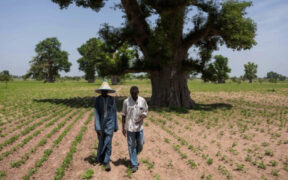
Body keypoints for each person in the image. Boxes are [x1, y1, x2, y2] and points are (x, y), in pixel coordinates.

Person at [122, 86, 148, 173]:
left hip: (139, 127)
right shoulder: (126, 102)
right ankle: (134, 164)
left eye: (135, 94)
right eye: (132, 94)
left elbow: (145, 111)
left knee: (140, 144)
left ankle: (133, 156)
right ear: (130, 93)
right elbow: (123, 115)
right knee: (131, 145)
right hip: (130, 128)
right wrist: (123, 128)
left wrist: (140, 119)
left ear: (138, 93)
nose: (134, 96)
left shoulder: (142, 100)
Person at [94, 80, 118, 171]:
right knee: (101, 142)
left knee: (108, 142)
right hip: (100, 124)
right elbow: (96, 113)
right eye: (103, 91)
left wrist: (115, 126)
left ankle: (107, 161)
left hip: (110, 124)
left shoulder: (112, 99)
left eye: (106, 91)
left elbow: (114, 112)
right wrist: (97, 127)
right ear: (101, 91)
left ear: (108, 91)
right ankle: (101, 157)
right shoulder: (97, 100)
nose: (104, 92)